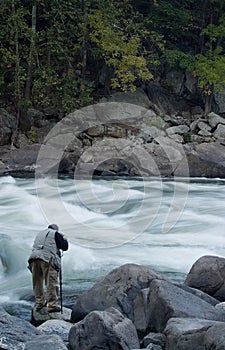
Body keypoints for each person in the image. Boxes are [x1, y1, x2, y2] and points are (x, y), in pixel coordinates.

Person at [28, 224, 68, 313]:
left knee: (37, 282)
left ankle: (39, 303)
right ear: (56, 230)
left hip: (34, 258)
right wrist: (64, 239)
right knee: (51, 282)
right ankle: (52, 305)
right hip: (47, 259)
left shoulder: (40, 234)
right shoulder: (55, 234)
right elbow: (64, 247)